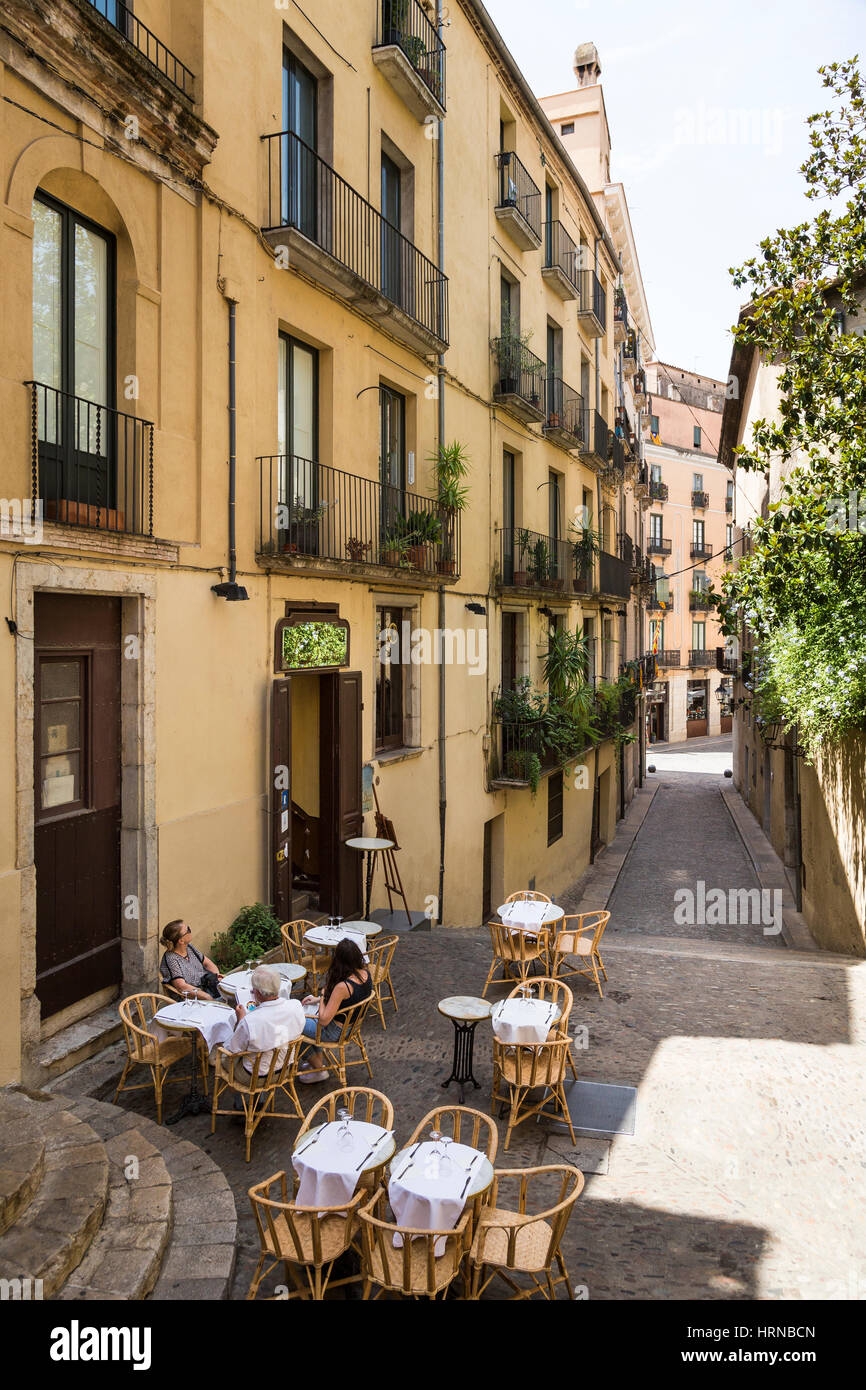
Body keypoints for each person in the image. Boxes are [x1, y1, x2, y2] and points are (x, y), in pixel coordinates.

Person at [298, 938, 372, 1084]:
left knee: (293, 1023)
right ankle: (316, 1060)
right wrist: (319, 1000)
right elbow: (348, 1000)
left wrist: (323, 995)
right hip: (351, 1027)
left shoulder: (343, 987)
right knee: (305, 1018)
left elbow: (324, 1020)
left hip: (334, 1032)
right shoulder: (365, 974)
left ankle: (319, 1069)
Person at [222, 964, 306, 1077]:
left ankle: (236, 1093)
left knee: (223, 1058)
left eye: (253, 990)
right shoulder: (296, 1006)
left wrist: (240, 1020)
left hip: (256, 1076)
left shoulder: (249, 1021)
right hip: (286, 1068)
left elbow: (234, 1049)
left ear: (258, 992)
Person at [159, 919, 223, 1000]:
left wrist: (216, 977)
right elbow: (181, 986)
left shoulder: (189, 947)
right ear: (181, 941)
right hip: (192, 998)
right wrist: (206, 996)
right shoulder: (171, 959)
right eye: (188, 930)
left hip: (208, 986)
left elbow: (207, 963)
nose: (190, 931)